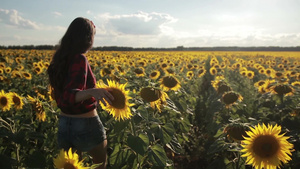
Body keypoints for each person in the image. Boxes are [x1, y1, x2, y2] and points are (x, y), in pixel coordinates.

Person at [47, 17, 113, 169]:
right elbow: (69, 96)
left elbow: (61, 96)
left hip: (64, 125)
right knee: (99, 164)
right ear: (87, 38)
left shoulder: (59, 59)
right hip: (86, 125)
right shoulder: (79, 59)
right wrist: (92, 92)